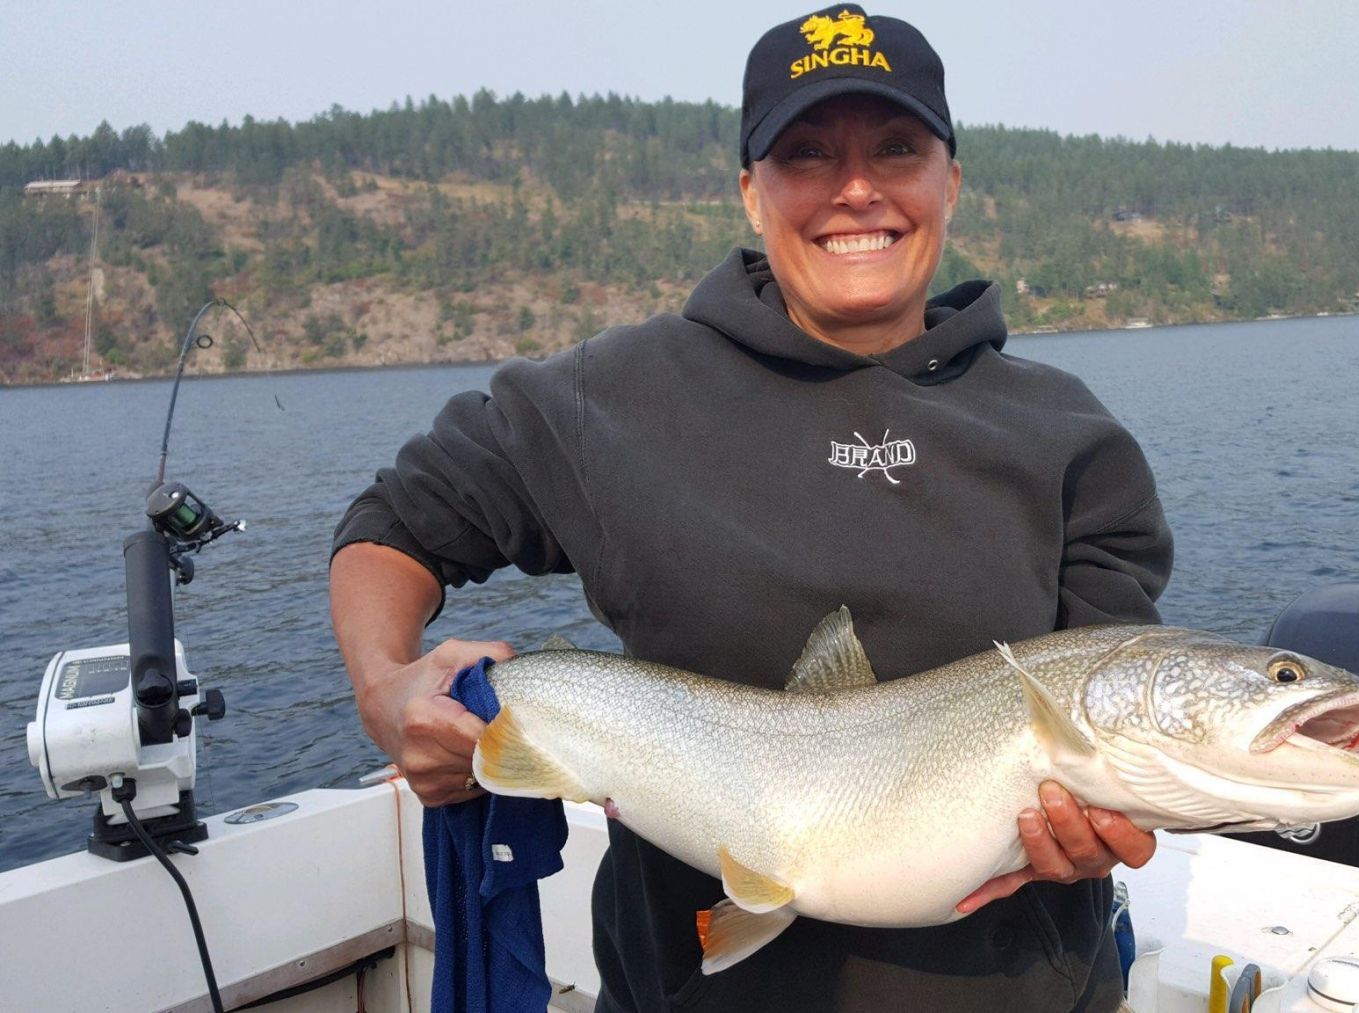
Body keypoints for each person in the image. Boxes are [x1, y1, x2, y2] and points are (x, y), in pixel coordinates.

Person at [330, 5, 1172, 1011]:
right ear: (749, 190)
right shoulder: (613, 400)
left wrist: (1100, 827)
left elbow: (1116, 722)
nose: (857, 188)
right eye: (807, 153)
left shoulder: (1071, 436)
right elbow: (394, 525)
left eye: (897, 148)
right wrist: (386, 688)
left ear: (951, 179)